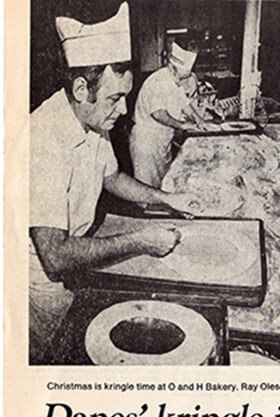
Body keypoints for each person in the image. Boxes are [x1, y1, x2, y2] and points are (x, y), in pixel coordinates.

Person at [29, 2, 204, 364]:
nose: (124, 110)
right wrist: (139, 241)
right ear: (81, 88)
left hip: (73, 258)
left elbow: (112, 177)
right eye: (115, 97)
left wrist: (168, 199)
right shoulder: (43, 140)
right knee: (55, 357)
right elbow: (55, 254)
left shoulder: (94, 121)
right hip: (37, 284)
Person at [129, 42, 202, 187]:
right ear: (174, 68)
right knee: (148, 188)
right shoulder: (158, 81)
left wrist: (200, 120)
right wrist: (181, 125)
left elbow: (185, 104)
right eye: (182, 76)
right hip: (147, 142)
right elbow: (158, 113)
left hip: (162, 140)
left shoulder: (174, 81)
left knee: (163, 184)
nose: (183, 80)